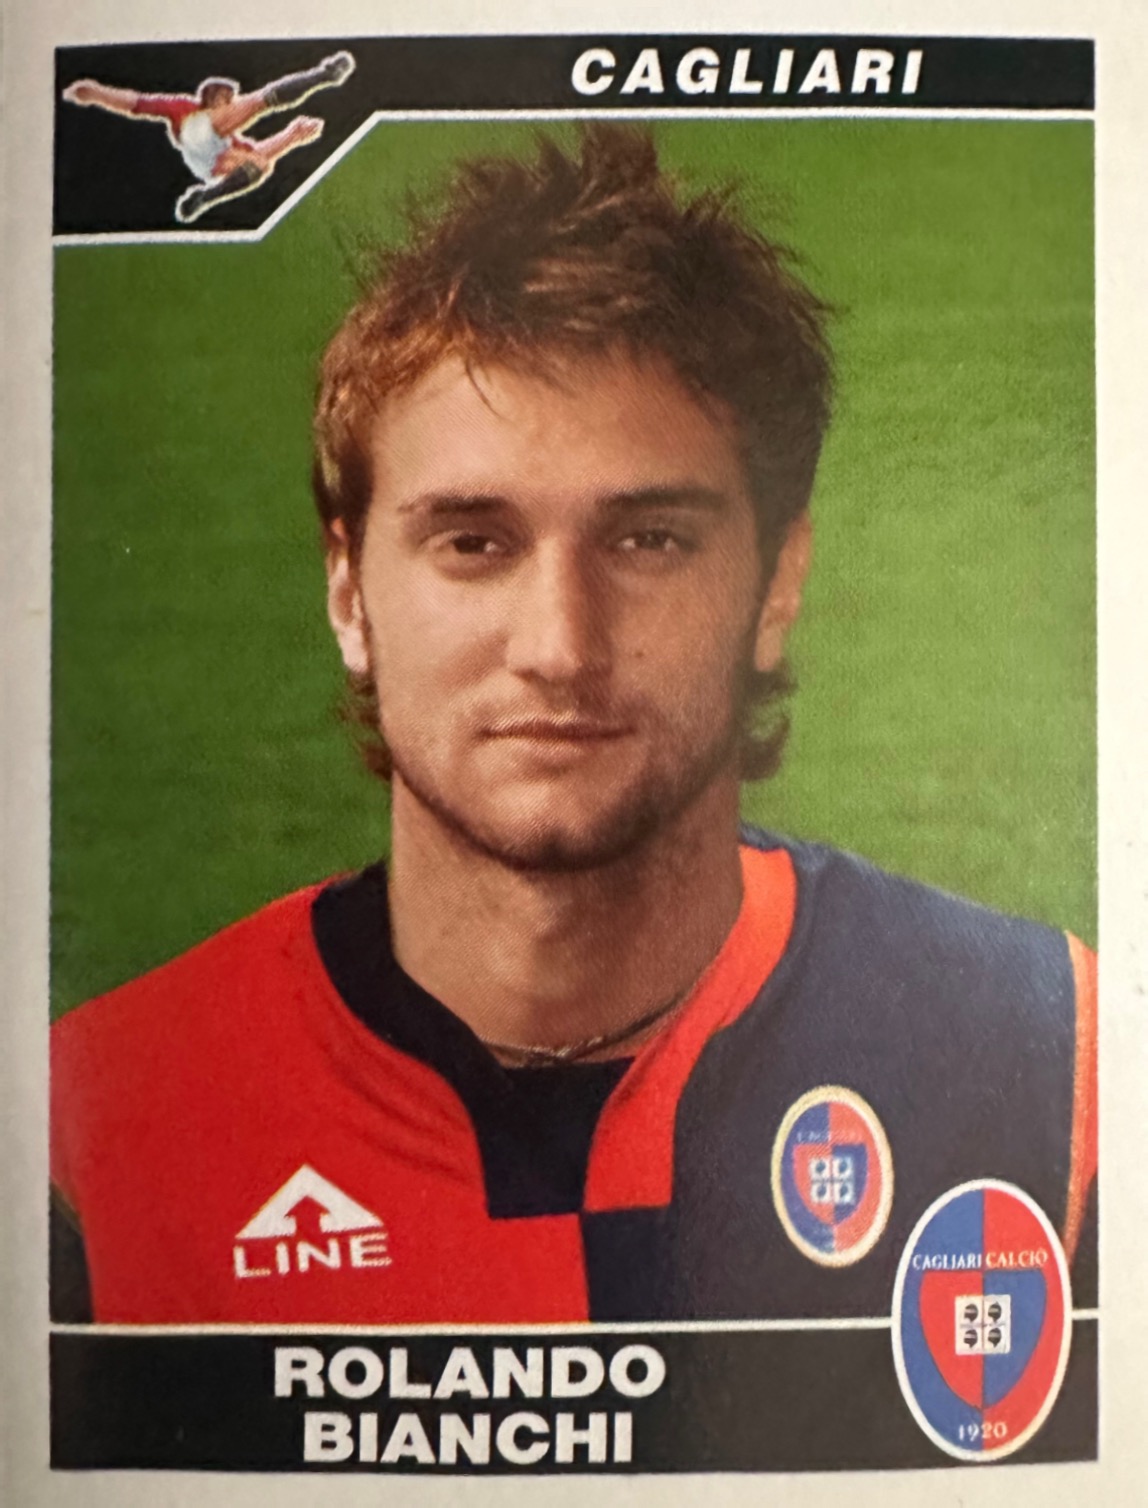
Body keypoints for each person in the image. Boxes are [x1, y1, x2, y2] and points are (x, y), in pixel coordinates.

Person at [50, 126, 1096, 1325]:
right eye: (473, 542)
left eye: (648, 539)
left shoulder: (1048, 1070)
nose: (558, 643)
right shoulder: (99, 1139)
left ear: (777, 582)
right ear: (347, 592)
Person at [61, 51, 355, 223]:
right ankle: (324, 75)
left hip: (208, 166)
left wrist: (291, 136)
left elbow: (260, 154)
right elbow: (136, 103)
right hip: (195, 135)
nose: (229, 103)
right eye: (224, 98)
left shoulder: (229, 139)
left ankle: (205, 197)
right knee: (258, 102)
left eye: (230, 99)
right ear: (211, 98)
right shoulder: (186, 109)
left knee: (261, 165)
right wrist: (97, 93)